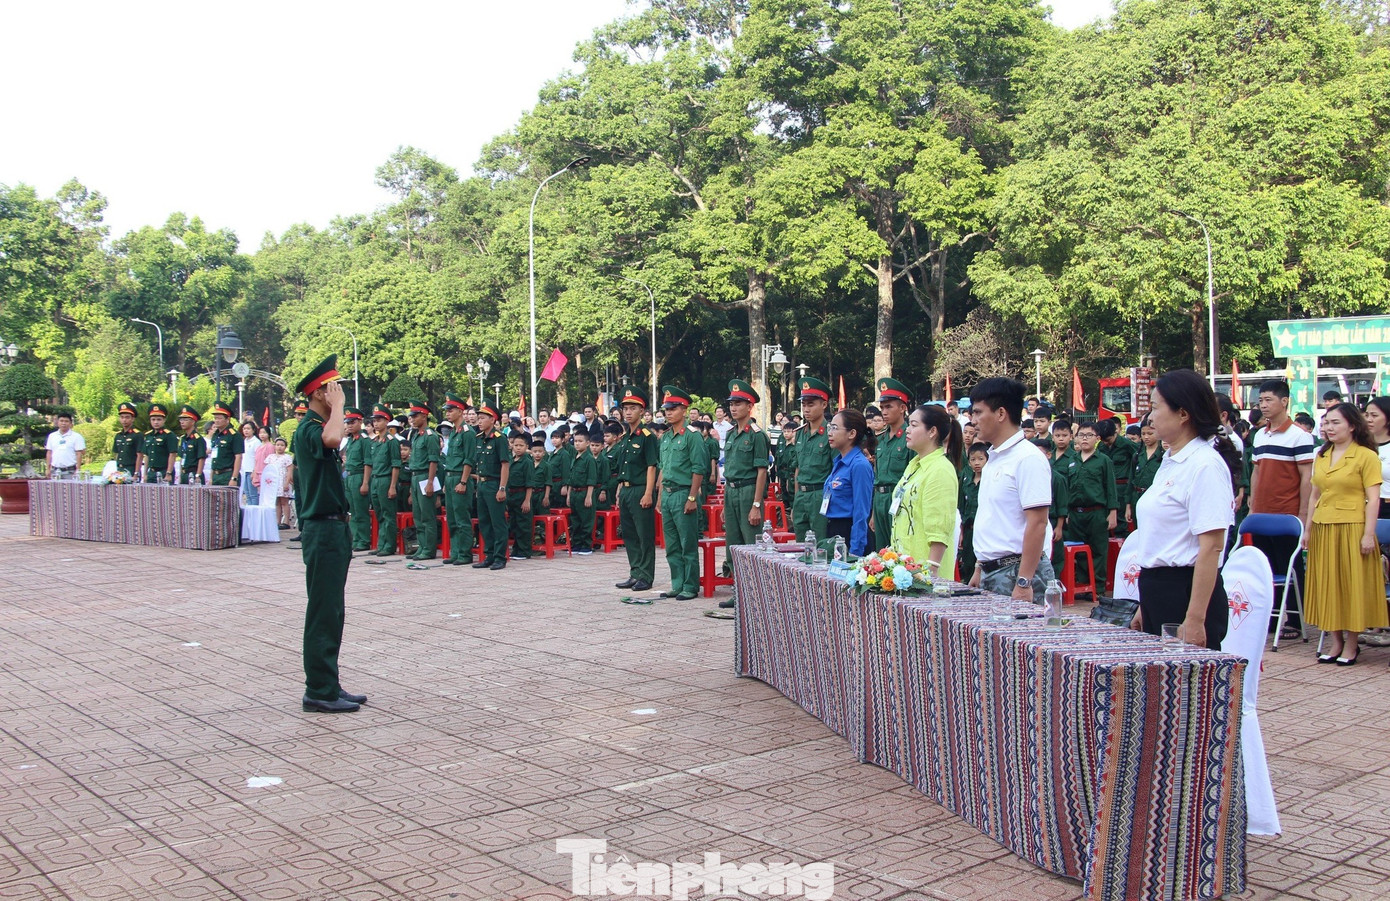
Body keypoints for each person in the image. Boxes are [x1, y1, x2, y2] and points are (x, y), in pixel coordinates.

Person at [1128, 369, 1239, 649]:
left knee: (1188, 688)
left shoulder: (1205, 465)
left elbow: (1212, 547)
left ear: (1183, 413)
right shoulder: (1171, 459)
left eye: (1155, 407)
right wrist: (1147, 602)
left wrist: (1195, 618)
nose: (1150, 417)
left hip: (1186, 590)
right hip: (1158, 587)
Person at [291, 355, 365, 713]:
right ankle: (318, 689)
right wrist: (336, 407)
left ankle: (329, 683)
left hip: (334, 526)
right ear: (318, 393)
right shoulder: (308, 429)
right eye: (332, 388)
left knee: (333, 609)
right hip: (322, 528)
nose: (340, 394)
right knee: (323, 610)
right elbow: (333, 437)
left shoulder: (315, 428)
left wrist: (333, 407)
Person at [1303, 403, 1386, 665]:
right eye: (1326, 422)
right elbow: (1314, 495)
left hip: (1352, 526)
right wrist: (1307, 529)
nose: (1329, 427)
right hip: (1324, 525)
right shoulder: (1321, 455)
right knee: (1329, 584)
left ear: (1352, 425)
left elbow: (1373, 499)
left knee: (1351, 585)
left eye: (1335, 422)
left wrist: (1367, 534)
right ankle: (1335, 641)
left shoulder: (1366, 456)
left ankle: (1352, 644)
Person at [967, 378, 1055, 599]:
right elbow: (994, 518)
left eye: (978, 413)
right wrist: (979, 567)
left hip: (1018, 572)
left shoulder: (1027, 458)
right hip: (992, 571)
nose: (973, 420)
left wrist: (1024, 581)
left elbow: (1038, 523)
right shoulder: (994, 459)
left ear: (1000, 414)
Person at [1251, 379, 1315, 633]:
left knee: (1290, 566)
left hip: (1287, 513)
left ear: (1284, 401)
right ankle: (1273, 619)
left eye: (1268, 400)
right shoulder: (1259, 434)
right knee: (1265, 567)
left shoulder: (1299, 436)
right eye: (1261, 400)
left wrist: (1302, 513)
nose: (1263, 405)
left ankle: (1297, 622)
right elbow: (1256, 473)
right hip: (1262, 512)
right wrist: (1253, 506)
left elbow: (1306, 477)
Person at [892, 403, 963, 579]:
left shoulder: (940, 469)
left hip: (923, 573)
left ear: (932, 432)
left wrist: (931, 570)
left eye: (914, 425)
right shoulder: (914, 465)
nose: (907, 430)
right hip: (904, 568)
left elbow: (939, 527)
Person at [718, 380, 770, 608]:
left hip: (749, 490)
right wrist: (723, 503)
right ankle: (739, 592)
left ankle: (756, 594)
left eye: (739, 403)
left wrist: (756, 504)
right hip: (731, 490)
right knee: (733, 544)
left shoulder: (757, 435)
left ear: (750, 407)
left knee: (751, 544)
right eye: (732, 403)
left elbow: (761, 472)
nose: (734, 408)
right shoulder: (730, 434)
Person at [657, 386, 709, 600]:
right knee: (671, 544)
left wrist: (691, 497)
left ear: (684, 410)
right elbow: (663, 468)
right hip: (668, 494)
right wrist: (659, 496)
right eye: (666, 409)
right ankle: (677, 583)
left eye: (673, 408)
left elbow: (699, 469)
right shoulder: (666, 438)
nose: (668, 412)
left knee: (687, 543)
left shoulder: (691, 436)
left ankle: (690, 585)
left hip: (683, 493)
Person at [614, 385, 659, 593]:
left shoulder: (647, 436)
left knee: (644, 535)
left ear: (642, 411)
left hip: (641, 489)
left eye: (633, 408)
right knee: (630, 535)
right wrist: (619, 490)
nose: (628, 412)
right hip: (626, 490)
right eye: (626, 408)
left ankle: (646, 575)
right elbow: (622, 469)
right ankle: (635, 572)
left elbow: (651, 466)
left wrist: (649, 493)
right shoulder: (624, 439)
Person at [1065, 422, 1119, 584]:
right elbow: (1068, 487)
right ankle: (1083, 583)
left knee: (1098, 550)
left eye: (1089, 435)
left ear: (1097, 438)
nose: (1085, 439)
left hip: (1097, 512)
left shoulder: (1103, 460)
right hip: (1075, 513)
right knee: (1079, 549)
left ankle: (1098, 585)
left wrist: (1113, 512)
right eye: (1081, 435)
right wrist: (1066, 512)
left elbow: (1110, 487)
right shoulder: (1072, 460)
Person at [823, 408, 875, 556]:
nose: (830, 432)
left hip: (850, 533)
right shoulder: (839, 462)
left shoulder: (859, 465)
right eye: (829, 427)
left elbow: (861, 511)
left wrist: (855, 551)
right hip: (834, 530)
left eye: (835, 428)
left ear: (852, 433)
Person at [870, 378, 912, 549]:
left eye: (889, 407)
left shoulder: (910, 437)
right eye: (882, 408)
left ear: (902, 408)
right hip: (880, 500)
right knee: (882, 551)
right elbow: (877, 477)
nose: (884, 412)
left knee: (899, 550)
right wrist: (874, 512)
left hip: (899, 499)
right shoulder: (880, 439)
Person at [791, 377, 833, 541]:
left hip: (820, 494)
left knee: (821, 543)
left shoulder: (831, 433)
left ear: (824, 404)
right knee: (801, 546)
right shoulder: (800, 433)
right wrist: (796, 500)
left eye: (811, 404)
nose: (806, 409)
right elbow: (797, 469)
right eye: (804, 405)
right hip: (801, 495)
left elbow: (836, 470)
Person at [439, 395, 478, 565]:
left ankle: (465, 553)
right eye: (447, 411)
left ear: (460, 411)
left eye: (451, 410)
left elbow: (469, 459)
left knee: (462, 518)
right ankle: (455, 551)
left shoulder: (467, 432)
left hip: (460, 478)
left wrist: (463, 482)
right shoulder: (454, 432)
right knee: (452, 518)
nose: (448, 414)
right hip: (450, 477)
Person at [471, 405, 511, 570]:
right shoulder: (479, 438)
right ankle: (489, 555)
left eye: (482, 418)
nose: (479, 421)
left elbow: (505, 465)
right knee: (484, 522)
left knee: (498, 522)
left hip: (495, 484)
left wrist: (502, 488)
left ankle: (500, 557)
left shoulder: (499, 438)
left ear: (493, 420)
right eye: (478, 418)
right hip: (482, 483)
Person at [406, 400, 441, 560]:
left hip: (426, 476)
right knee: (418, 515)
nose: (412, 419)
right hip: (415, 477)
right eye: (411, 416)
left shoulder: (430, 436)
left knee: (427, 515)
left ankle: (429, 549)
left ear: (424, 416)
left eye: (415, 416)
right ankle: (422, 546)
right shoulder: (416, 435)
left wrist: (430, 483)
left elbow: (433, 461)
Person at [367, 404, 402, 557]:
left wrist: (393, 485)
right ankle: (381, 544)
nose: (376, 423)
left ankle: (389, 545)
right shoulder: (374, 442)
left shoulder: (391, 441)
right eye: (374, 420)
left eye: (379, 420)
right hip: (375, 480)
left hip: (386, 480)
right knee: (379, 514)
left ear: (387, 421)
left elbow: (396, 464)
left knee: (388, 514)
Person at [339, 407, 372, 551]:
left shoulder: (364, 440)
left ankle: (363, 540)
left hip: (359, 476)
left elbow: (368, 463)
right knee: (352, 511)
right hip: (349, 476)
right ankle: (355, 538)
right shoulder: (351, 440)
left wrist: (365, 482)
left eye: (352, 422)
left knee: (360, 511)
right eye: (347, 423)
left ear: (360, 422)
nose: (349, 425)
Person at [1125, 418, 1164, 532]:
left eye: (1150, 433)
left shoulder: (1164, 456)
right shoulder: (1137, 456)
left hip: (1155, 500)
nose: (1146, 437)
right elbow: (1131, 480)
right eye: (1143, 434)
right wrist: (1128, 506)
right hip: (1137, 498)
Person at [566, 428, 599, 555]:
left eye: (580, 441)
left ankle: (586, 545)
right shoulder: (574, 457)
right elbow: (571, 478)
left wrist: (589, 496)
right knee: (575, 520)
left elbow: (591, 479)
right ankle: (577, 543)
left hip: (585, 492)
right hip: (574, 492)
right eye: (575, 441)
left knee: (586, 520)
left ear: (587, 443)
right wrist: (569, 495)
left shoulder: (589, 459)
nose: (577, 443)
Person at [958, 442, 988, 579]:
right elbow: (961, 507)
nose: (977, 463)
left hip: (984, 530)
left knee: (983, 564)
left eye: (981, 459)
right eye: (973, 459)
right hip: (969, 529)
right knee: (968, 563)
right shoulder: (966, 480)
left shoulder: (990, 481)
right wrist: (961, 532)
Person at [505, 433, 537, 560]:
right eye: (515, 445)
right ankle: (517, 549)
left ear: (526, 447)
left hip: (522, 495)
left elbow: (529, 484)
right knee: (514, 523)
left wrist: (527, 500)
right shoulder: (511, 461)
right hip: (511, 495)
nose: (518, 448)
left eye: (521, 445)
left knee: (523, 524)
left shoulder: (527, 462)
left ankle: (524, 550)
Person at [1364, 396, 1390, 519]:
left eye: (1374, 416)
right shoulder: (1360, 446)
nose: (1369, 419)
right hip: (1362, 506)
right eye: (1367, 415)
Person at [207, 404, 244, 488]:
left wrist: (234, 478)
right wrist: (211, 478)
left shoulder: (234, 435)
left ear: (227, 419)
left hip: (228, 474)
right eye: (215, 418)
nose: (216, 421)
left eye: (219, 418)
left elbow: (238, 457)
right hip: (216, 475)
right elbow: (214, 457)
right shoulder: (215, 435)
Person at [140, 403, 178, 483]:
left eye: (159, 419)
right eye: (153, 419)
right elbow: (146, 455)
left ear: (164, 420)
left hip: (164, 472)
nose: (156, 422)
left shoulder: (169, 435)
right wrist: (145, 474)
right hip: (151, 473)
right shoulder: (148, 435)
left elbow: (172, 455)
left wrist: (168, 473)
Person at [263, 437, 295, 529]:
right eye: (278, 445)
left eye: (282, 445)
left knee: (284, 502)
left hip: (283, 481)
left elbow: (289, 471)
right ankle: (277, 521)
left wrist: (287, 482)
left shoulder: (287, 457)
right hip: (274, 482)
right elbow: (267, 470)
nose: (279, 447)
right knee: (277, 502)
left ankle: (286, 521)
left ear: (285, 447)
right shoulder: (270, 457)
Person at [44, 411, 84, 479]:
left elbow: (79, 454)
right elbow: (49, 453)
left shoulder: (77, 437)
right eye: (61, 421)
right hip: (55, 471)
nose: (63, 423)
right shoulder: (52, 436)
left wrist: (78, 470)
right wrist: (48, 468)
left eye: (66, 421)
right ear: (57, 422)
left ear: (71, 423)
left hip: (70, 471)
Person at [177, 406, 207, 485]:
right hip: (184, 474)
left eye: (185, 420)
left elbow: (201, 458)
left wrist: (198, 475)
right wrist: (180, 475)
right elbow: (181, 458)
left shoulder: (198, 439)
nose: (182, 422)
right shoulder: (183, 438)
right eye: (181, 420)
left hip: (193, 473)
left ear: (193, 421)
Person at [113, 402, 142, 475]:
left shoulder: (137, 435)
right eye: (122, 417)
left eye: (127, 417)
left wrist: (136, 473)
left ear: (133, 419)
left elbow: (140, 455)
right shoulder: (118, 435)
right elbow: (117, 453)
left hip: (131, 469)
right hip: (119, 469)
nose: (124, 420)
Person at [239, 421, 262, 505]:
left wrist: (254, 471)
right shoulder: (243, 441)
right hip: (243, 471)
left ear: (253, 430)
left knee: (253, 495)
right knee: (247, 495)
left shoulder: (256, 442)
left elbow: (258, 458)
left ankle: (254, 514)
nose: (246, 431)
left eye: (248, 429)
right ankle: (249, 514)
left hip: (251, 471)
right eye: (244, 429)